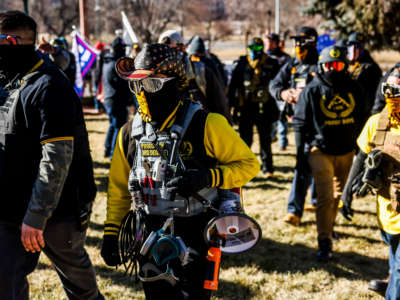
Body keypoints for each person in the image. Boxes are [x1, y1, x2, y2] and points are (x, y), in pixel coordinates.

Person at [100, 43, 260, 300]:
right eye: (136, 85)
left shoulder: (208, 124)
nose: (142, 92)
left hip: (196, 230)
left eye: (151, 85)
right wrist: (111, 232)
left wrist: (208, 177)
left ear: (175, 83)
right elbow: (119, 188)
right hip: (148, 232)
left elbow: (249, 165)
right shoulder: (129, 133)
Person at [0, 10, 103, 299]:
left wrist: (36, 216)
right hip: (10, 208)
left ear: (10, 42)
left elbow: (56, 159)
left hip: (57, 213)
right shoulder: (8, 81)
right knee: (5, 283)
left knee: (80, 288)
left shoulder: (49, 85)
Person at [294, 45, 364, 261]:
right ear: (321, 67)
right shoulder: (312, 89)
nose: (334, 69)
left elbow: (363, 117)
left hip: (346, 152)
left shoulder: (354, 88)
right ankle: (324, 242)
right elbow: (299, 123)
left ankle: (328, 227)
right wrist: (300, 156)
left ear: (345, 66)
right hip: (319, 151)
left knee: (337, 197)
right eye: (329, 65)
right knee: (325, 197)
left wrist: (361, 151)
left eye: (338, 64)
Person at [341, 67, 400, 298]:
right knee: (394, 256)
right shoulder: (377, 123)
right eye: (390, 89)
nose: (393, 96)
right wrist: (347, 192)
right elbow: (362, 155)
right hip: (388, 212)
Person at [269, 26, 319, 225]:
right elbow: (274, 84)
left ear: (312, 42)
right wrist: (284, 94)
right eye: (296, 42)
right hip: (298, 122)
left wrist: (306, 94)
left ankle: (316, 201)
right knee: (301, 163)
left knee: (317, 161)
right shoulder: (292, 64)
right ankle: (294, 211)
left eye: (302, 42)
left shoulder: (321, 64)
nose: (298, 46)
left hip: (319, 123)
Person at [228, 37, 280, 177]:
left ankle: (268, 168)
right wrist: (231, 107)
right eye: (252, 48)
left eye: (258, 49)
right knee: (245, 141)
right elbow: (233, 86)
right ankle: (244, 168)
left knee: (265, 140)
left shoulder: (271, 63)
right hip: (245, 107)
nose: (255, 51)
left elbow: (278, 84)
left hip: (265, 107)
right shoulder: (242, 63)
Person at [159, 30, 230, 120]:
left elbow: (220, 104)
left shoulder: (201, 71)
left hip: (200, 128)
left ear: (183, 48)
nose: (169, 57)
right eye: (164, 52)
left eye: (172, 50)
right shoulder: (154, 77)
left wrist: (224, 128)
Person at [102, 36, 132, 158]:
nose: (124, 50)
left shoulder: (108, 61)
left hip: (110, 98)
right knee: (118, 127)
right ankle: (113, 154)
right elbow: (121, 84)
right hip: (116, 99)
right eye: (123, 48)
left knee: (113, 124)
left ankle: (107, 148)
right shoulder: (115, 64)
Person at [347, 32, 382, 119]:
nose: (355, 49)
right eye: (352, 45)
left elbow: (375, 92)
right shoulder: (345, 64)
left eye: (359, 46)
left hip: (363, 110)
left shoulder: (371, 67)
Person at [265, 32, 291, 151]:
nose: (267, 44)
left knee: (281, 117)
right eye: (266, 41)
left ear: (275, 43)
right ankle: (271, 137)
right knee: (270, 117)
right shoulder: (264, 58)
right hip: (267, 92)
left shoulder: (284, 58)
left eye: (270, 42)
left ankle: (283, 142)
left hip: (281, 92)